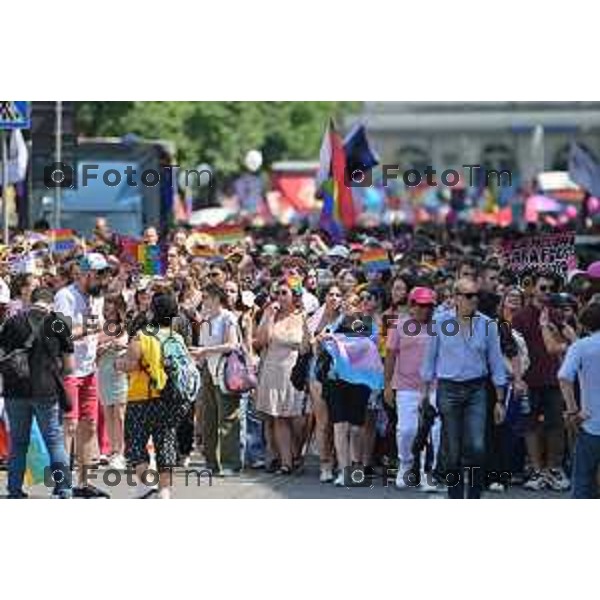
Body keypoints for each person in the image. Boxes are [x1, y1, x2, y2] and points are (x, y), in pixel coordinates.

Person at [421, 278, 507, 499]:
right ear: (456, 297)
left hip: (477, 389)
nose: (474, 300)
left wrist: (499, 399)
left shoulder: (487, 324)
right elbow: (429, 359)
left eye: (476, 295)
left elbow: (496, 362)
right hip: (448, 389)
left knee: (477, 446)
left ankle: (475, 494)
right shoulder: (440, 322)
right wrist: (424, 394)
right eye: (468, 296)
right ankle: (456, 496)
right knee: (453, 449)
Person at [0, 287, 74, 499]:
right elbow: (69, 366)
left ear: (31, 301)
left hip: (15, 390)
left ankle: (14, 490)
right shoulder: (57, 323)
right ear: (50, 303)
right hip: (46, 390)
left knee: (18, 442)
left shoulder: (13, 322)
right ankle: (63, 489)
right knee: (54, 440)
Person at [117, 292, 184, 499]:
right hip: (170, 398)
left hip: (141, 398)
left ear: (152, 311)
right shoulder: (176, 337)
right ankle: (164, 491)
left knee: (136, 444)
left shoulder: (142, 336)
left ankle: (147, 485)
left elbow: (130, 364)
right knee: (165, 443)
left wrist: (117, 363)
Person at [54, 253, 109, 498]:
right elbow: (60, 333)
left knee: (89, 425)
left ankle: (83, 483)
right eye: (99, 275)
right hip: (69, 369)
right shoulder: (65, 296)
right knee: (69, 426)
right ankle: (62, 484)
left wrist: (115, 335)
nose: (103, 280)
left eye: (105, 275)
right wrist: (88, 328)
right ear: (85, 275)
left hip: (89, 369)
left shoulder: (98, 297)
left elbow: (101, 327)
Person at [512, 273, 572, 492]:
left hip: (555, 379)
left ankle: (554, 469)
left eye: (551, 289)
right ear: (533, 289)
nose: (547, 292)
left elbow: (569, 341)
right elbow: (513, 350)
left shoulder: (557, 315)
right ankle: (538, 470)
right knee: (530, 425)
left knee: (556, 425)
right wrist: (518, 378)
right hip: (529, 379)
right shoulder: (520, 316)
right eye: (543, 288)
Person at [318, 292, 383, 486]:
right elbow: (322, 347)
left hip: (359, 382)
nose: (349, 306)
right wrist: (324, 339)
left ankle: (356, 468)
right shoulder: (332, 325)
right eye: (346, 303)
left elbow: (371, 344)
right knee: (339, 425)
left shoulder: (366, 325)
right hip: (335, 380)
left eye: (354, 303)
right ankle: (344, 471)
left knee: (356, 428)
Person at [384, 287, 442, 492]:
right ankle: (406, 465)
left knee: (433, 432)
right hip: (406, 386)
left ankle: (429, 473)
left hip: (434, 386)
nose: (425, 310)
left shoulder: (440, 326)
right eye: (421, 305)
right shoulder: (398, 325)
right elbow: (390, 356)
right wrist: (388, 386)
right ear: (411, 305)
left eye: (429, 306)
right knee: (407, 430)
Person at [255, 278, 309, 474]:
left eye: (284, 293)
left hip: (295, 373)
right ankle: (286, 462)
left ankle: (296, 453)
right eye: (277, 293)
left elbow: (307, 346)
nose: (279, 297)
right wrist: (268, 315)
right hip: (272, 370)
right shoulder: (271, 314)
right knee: (278, 417)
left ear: (295, 296)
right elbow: (260, 342)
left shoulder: (303, 316)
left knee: (299, 419)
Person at [193, 284, 241, 476]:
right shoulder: (205, 319)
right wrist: (198, 355)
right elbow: (203, 346)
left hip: (225, 370)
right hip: (208, 371)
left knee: (227, 418)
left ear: (215, 298)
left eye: (206, 297)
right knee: (208, 418)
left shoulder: (228, 317)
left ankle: (230, 463)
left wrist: (206, 351)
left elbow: (232, 344)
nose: (203, 301)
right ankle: (211, 462)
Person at [558, 301, 600, 498]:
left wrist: (573, 410)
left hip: (591, 421)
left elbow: (564, 377)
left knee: (583, 480)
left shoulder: (580, 347)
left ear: (584, 324)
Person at [307, 285, 343, 483]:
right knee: (323, 421)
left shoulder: (347, 317)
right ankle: (325, 463)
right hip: (318, 371)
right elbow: (305, 347)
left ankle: (341, 461)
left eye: (338, 295)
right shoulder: (314, 318)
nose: (334, 298)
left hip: (342, 373)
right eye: (331, 294)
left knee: (339, 421)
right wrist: (316, 340)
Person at [97, 293, 129, 470]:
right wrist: (105, 346)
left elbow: (126, 344)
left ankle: (122, 451)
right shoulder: (102, 325)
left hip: (119, 371)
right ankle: (113, 450)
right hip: (104, 371)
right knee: (108, 411)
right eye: (106, 303)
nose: (108, 307)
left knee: (120, 412)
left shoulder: (124, 325)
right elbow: (95, 345)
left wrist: (109, 345)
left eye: (111, 304)